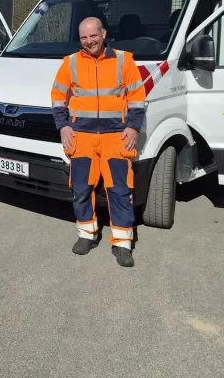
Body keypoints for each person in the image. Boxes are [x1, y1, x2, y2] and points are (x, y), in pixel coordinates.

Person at [50, 17, 146, 267]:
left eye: (93, 35)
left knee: (120, 190)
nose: (89, 41)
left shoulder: (124, 60)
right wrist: (63, 127)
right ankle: (87, 234)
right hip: (81, 137)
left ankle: (123, 243)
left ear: (103, 33)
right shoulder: (70, 62)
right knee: (81, 188)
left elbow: (137, 97)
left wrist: (134, 128)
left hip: (116, 136)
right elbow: (57, 97)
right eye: (83, 37)